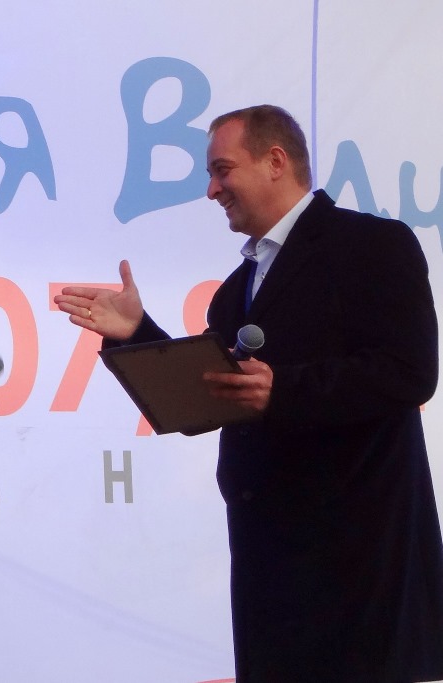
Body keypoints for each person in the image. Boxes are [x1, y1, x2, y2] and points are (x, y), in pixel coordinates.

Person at [55, 105, 443, 682]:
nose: (212, 190)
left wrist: (281, 391)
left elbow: (409, 372)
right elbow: (211, 397)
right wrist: (137, 333)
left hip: (359, 562)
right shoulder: (235, 291)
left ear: (275, 162)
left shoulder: (373, 244)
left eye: (222, 170)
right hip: (270, 564)